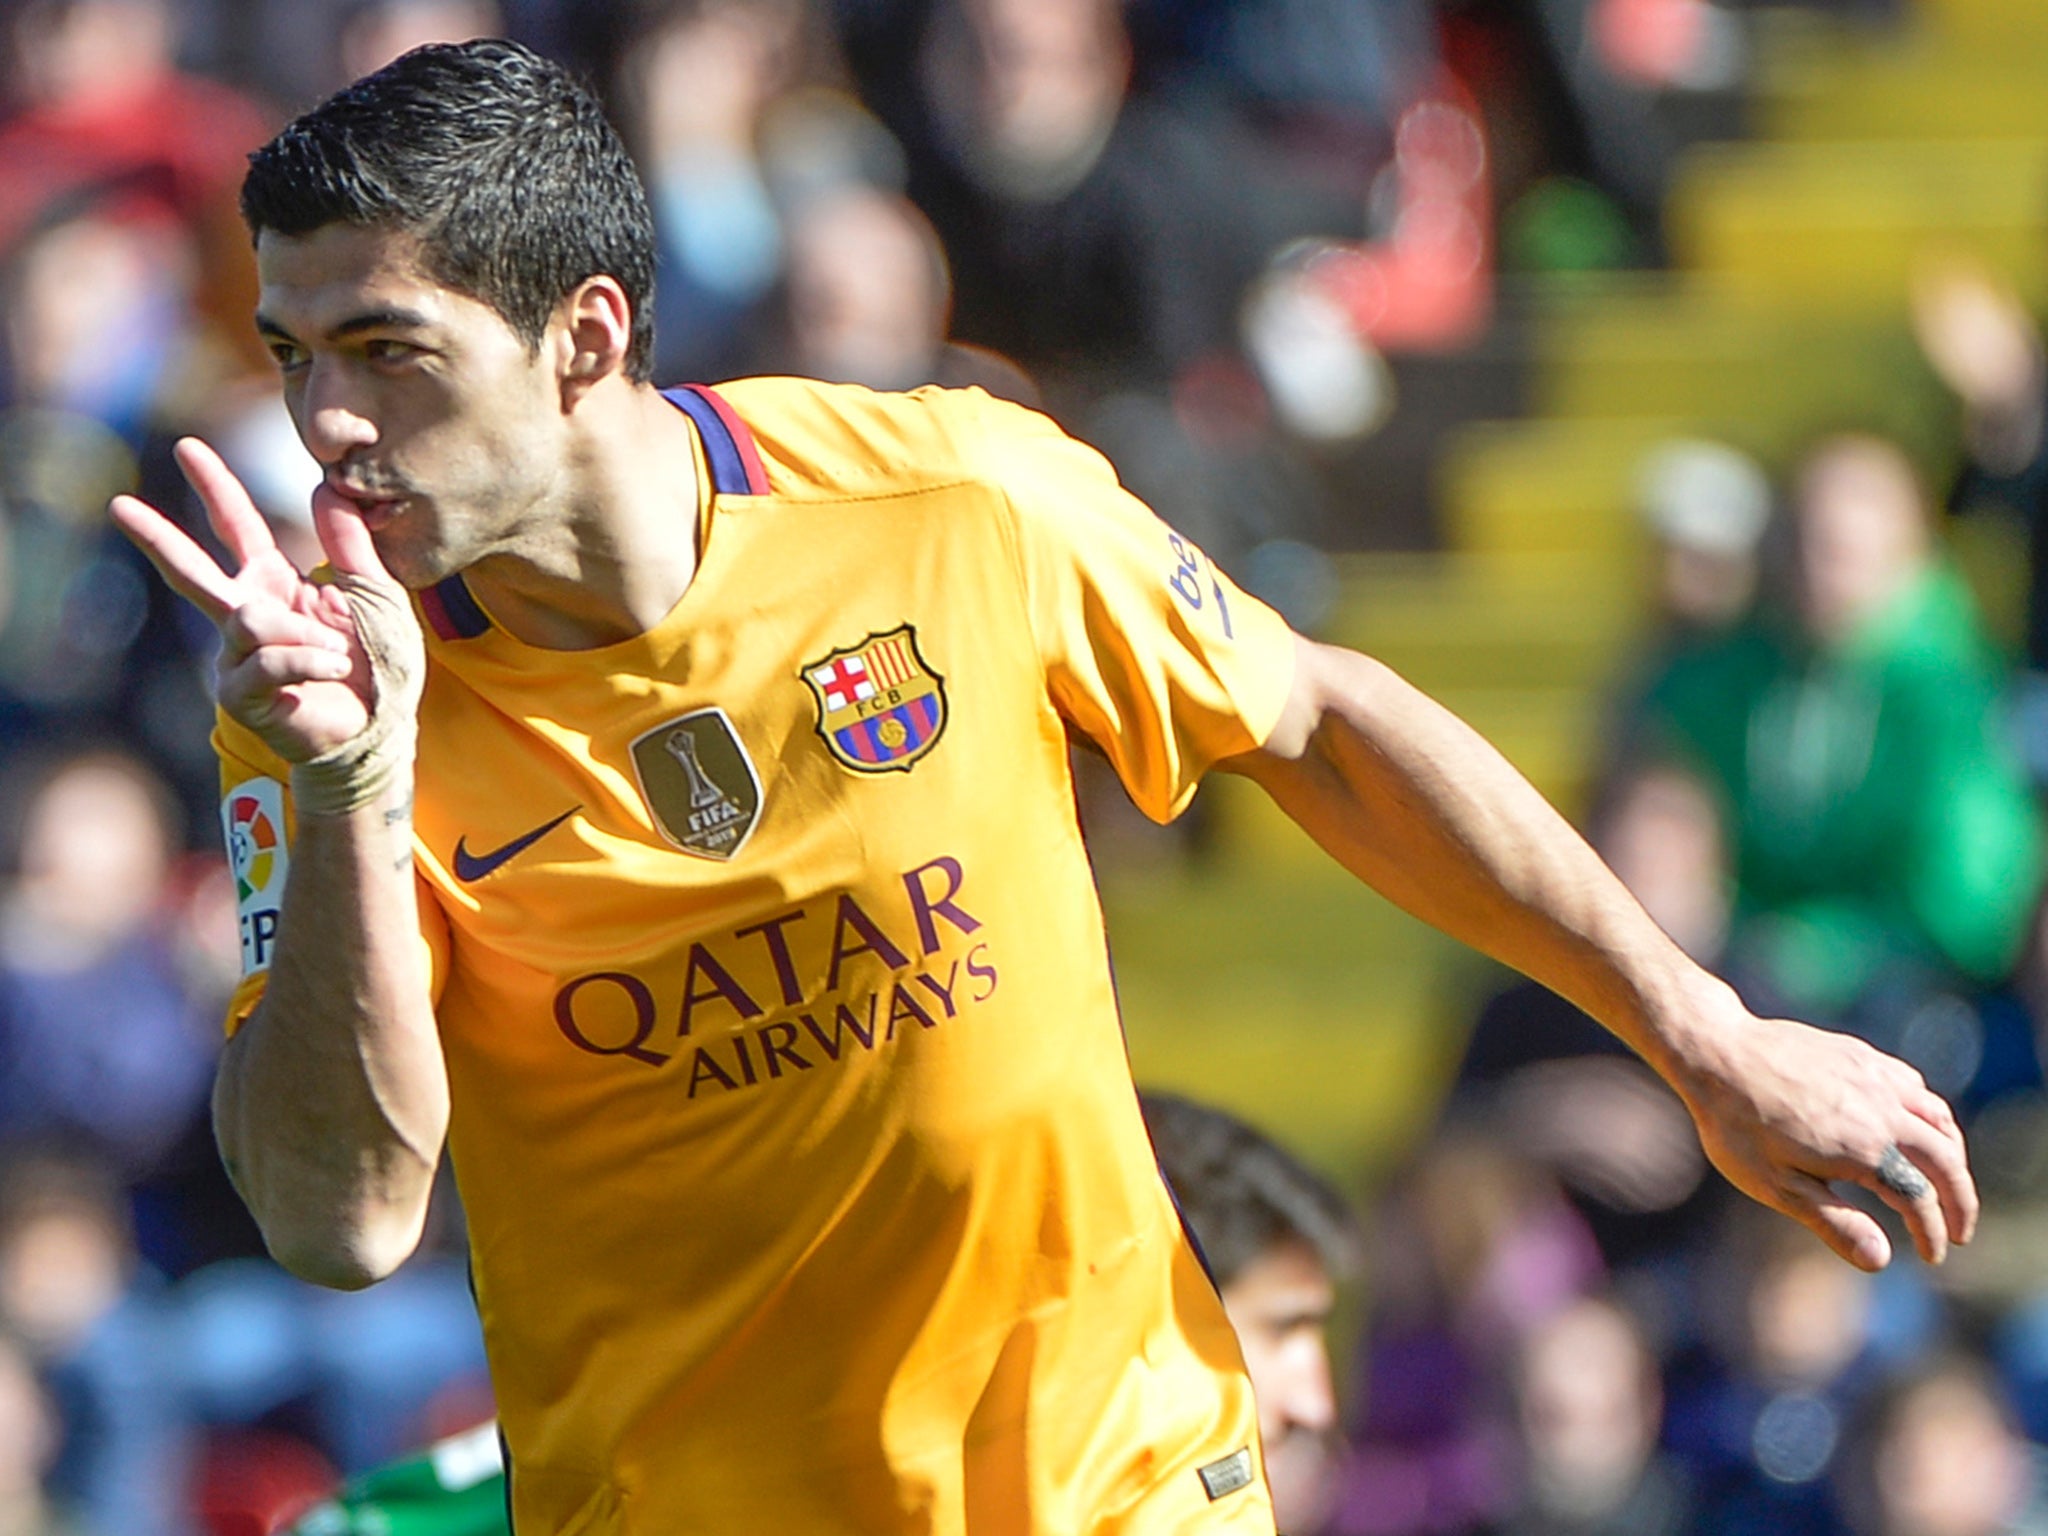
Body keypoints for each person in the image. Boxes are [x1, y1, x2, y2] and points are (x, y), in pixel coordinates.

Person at [107, 38, 1975, 1535]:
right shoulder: (334, 697)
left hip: (1120, 1482)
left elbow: (1318, 721)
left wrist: (1699, 1030)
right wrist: (348, 782)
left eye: (384, 350)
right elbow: (338, 1221)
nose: (324, 423)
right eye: (292, 354)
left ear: (584, 338)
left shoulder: (956, 495)